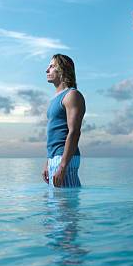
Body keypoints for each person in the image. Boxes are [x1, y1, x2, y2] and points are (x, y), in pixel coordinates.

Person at [41, 54, 86, 188]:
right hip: (55, 159)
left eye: (52, 66)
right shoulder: (55, 99)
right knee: (55, 205)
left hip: (64, 159)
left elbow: (74, 132)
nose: (47, 70)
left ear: (63, 70)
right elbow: (55, 133)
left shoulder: (72, 95)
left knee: (66, 206)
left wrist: (63, 165)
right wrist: (48, 162)